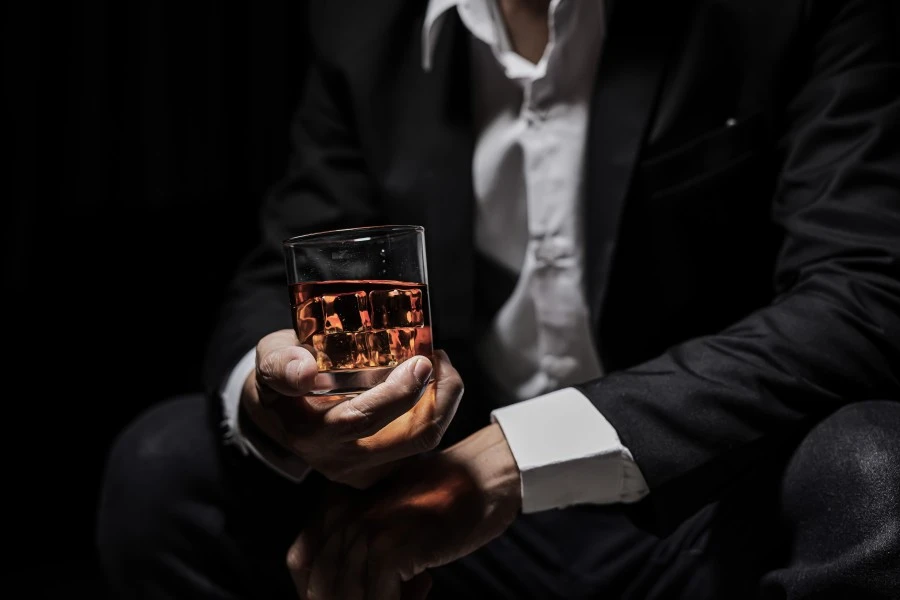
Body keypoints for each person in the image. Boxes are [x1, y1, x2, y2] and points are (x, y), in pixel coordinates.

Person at [96, 0, 900, 598]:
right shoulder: (363, 26)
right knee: (165, 467)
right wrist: (288, 408)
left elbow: (866, 291)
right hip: (443, 520)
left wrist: (516, 457)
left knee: (880, 466)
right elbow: (280, 274)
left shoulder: (788, 14)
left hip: (711, 504)